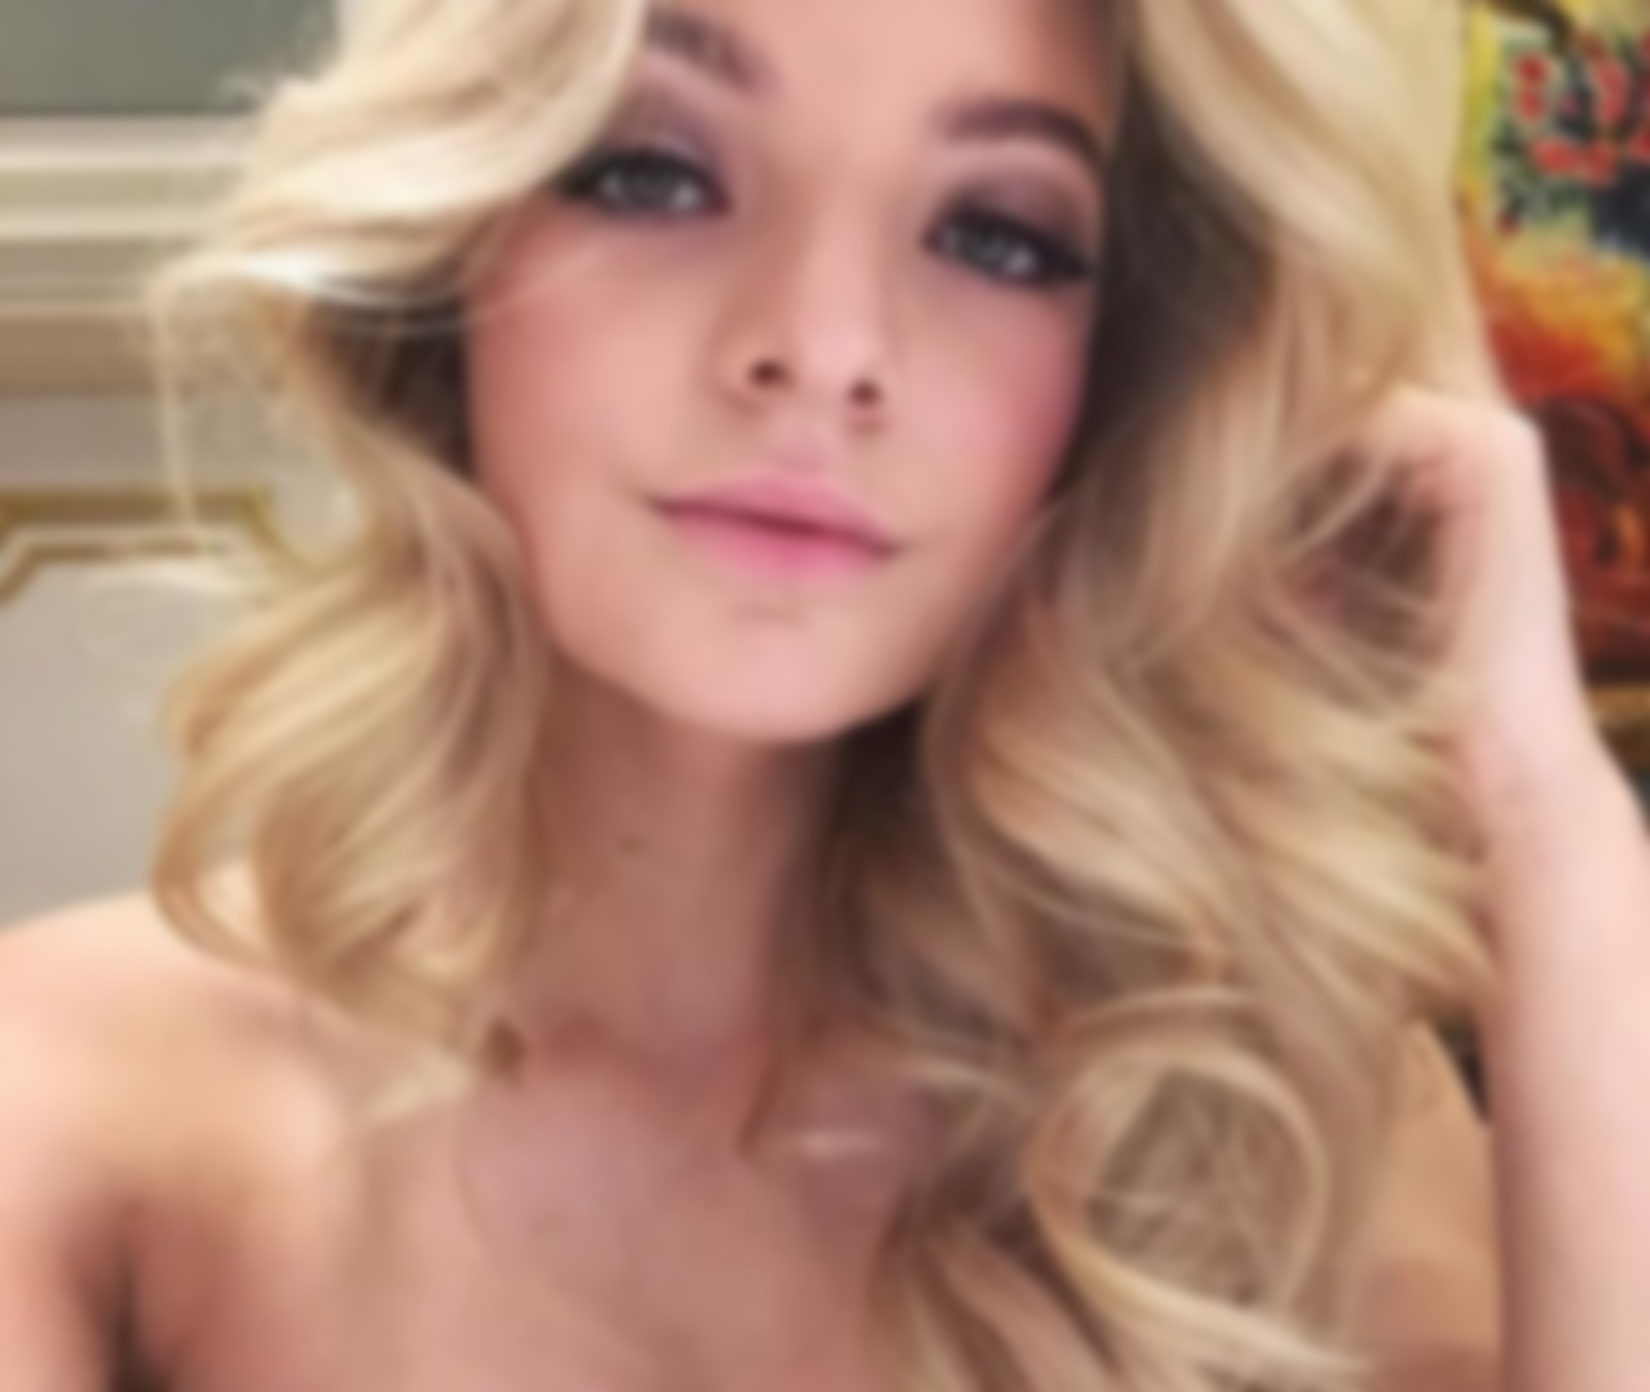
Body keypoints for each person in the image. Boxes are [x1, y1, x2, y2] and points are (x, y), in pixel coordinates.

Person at [3, 0, 1648, 1388]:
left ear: (1123, 376)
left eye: (995, 233)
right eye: (654, 171)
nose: (824, 343)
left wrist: (1541, 809)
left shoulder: (1252, 1141)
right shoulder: (82, 1095)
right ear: (456, 240)